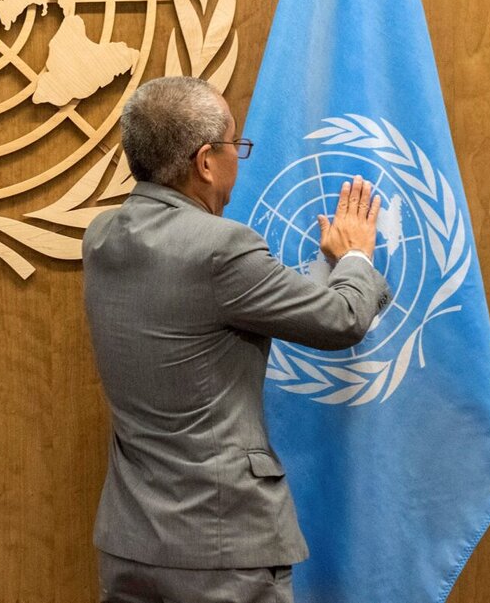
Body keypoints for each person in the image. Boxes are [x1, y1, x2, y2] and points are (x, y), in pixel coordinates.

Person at [83, 77, 391, 603]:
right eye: (235, 146)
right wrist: (357, 254)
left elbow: (222, 312)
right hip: (222, 551)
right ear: (206, 161)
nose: (238, 160)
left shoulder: (102, 236)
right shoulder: (221, 247)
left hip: (131, 541)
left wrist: (321, 270)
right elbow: (342, 319)